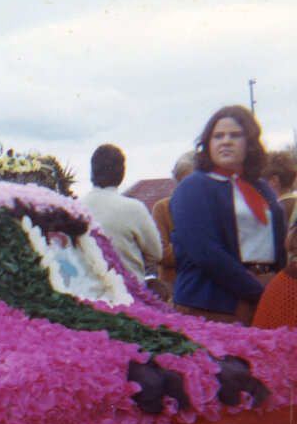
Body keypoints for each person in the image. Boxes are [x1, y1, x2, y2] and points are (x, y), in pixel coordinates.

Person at [170, 105, 286, 325]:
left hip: (263, 293)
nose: (226, 141)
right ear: (208, 143)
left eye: (235, 135)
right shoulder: (194, 186)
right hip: (214, 303)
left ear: (250, 142)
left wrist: (278, 286)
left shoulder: (259, 187)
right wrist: (260, 291)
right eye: (218, 136)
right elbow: (207, 253)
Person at [81, 144, 161, 283]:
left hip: (87, 294)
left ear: (93, 171)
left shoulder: (75, 207)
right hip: (129, 295)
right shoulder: (134, 208)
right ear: (122, 173)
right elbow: (156, 254)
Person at [151, 151, 195, 292]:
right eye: (184, 183)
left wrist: (176, 248)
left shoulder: (213, 207)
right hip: (172, 288)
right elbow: (160, 254)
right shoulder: (162, 208)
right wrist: (202, 250)